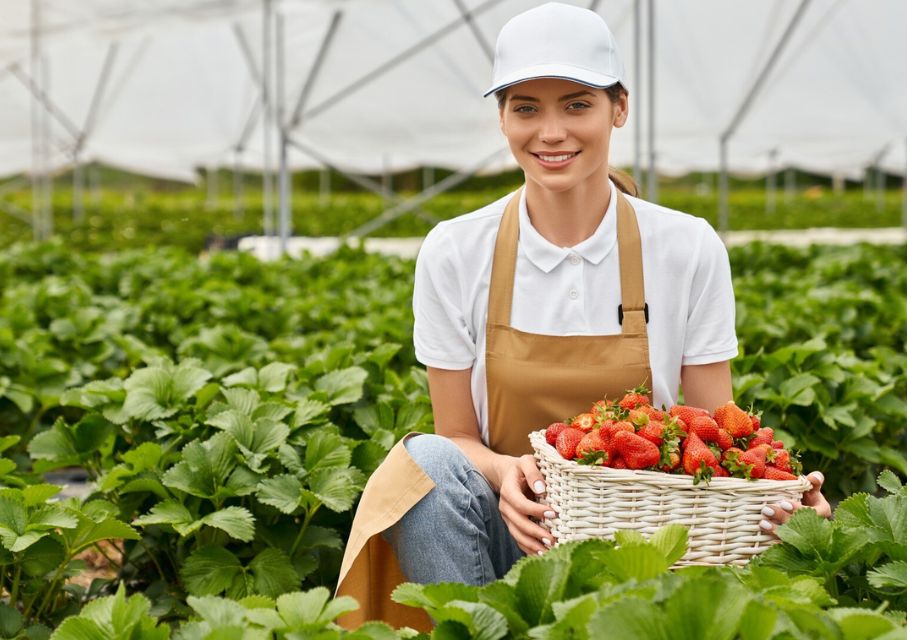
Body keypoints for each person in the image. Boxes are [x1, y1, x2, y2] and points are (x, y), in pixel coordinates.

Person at [335, 2, 831, 630]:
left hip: (641, 547)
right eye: (526, 108)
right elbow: (457, 435)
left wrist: (783, 495)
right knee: (425, 463)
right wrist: (504, 470)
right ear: (501, 117)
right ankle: (475, 624)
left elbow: (714, 432)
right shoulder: (456, 251)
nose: (550, 132)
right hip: (504, 530)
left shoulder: (685, 247)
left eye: (576, 104)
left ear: (618, 108)